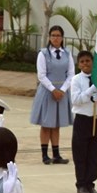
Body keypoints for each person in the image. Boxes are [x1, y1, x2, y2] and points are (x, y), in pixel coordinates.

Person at [29, 25, 73, 164]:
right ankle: (44, 154)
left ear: (62, 37)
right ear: (49, 37)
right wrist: (53, 89)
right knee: (46, 124)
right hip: (48, 92)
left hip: (62, 92)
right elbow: (41, 75)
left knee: (56, 124)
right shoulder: (43, 54)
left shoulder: (67, 53)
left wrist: (63, 90)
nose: (55, 38)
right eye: (53, 35)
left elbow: (71, 74)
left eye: (58, 35)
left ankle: (56, 154)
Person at [71, 49, 97, 193]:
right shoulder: (76, 80)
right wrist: (91, 90)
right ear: (79, 64)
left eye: (88, 61)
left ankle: (91, 183)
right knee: (81, 153)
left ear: (93, 62)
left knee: (93, 154)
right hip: (82, 120)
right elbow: (76, 100)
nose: (85, 64)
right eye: (82, 61)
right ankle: (81, 183)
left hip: (96, 119)